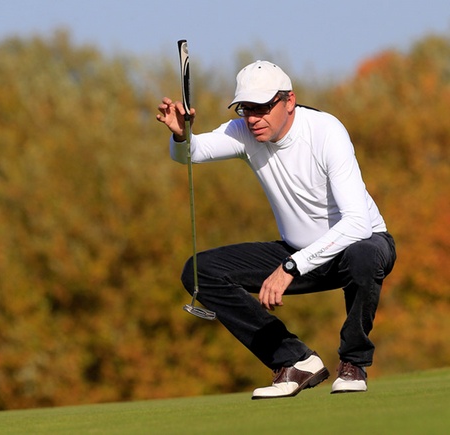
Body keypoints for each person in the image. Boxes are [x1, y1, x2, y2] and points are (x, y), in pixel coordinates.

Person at [156, 60, 396, 399]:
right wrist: (181, 134)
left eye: (262, 107)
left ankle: (353, 363)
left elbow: (357, 223)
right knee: (200, 272)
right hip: (297, 252)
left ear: (289, 101)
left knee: (363, 255)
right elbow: (190, 154)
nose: (253, 118)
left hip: (360, 244)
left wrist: (290, 267)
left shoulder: (326, 131)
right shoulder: (244, 131)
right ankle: (294, 360)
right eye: (246, 108)